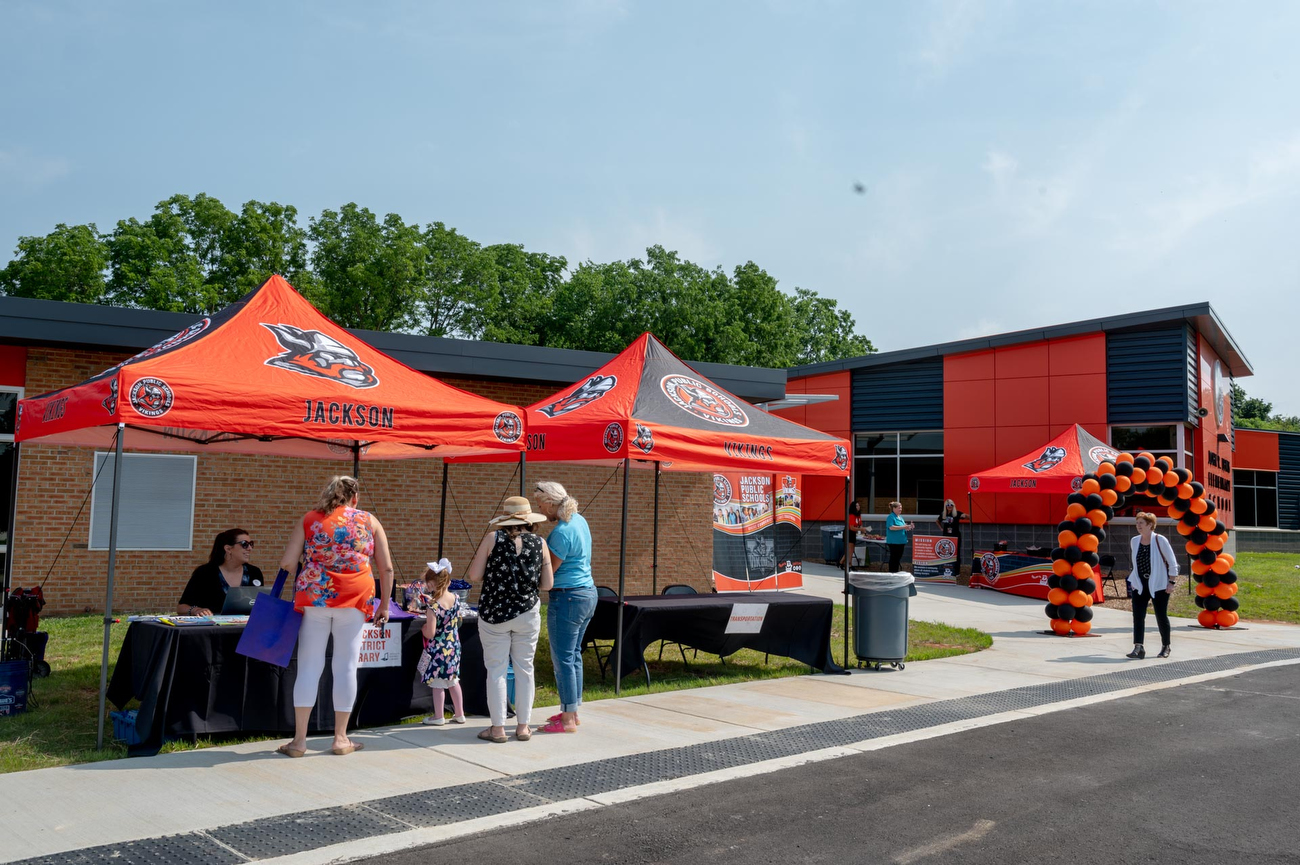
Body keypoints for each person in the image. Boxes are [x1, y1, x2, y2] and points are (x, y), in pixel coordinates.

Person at [275, 476, 394, 758]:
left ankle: (299, 741)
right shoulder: (369, 521)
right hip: (355, 598)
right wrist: (385, 605)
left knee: (308, 667)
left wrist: (315, 562)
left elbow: (287, 563)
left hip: (315, 596)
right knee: (346, 666)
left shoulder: (310, 518)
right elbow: (386, 569)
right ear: (355, 497)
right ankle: (340, 739)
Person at [466, 496, 553, 743]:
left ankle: (497, 729)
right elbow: (547, 584)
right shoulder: (540, 543)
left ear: (506, 518)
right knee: (525, 668)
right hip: (527, 613)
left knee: (496, 670)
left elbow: (474, 574)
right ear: (529, 520)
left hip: (494, 614)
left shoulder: (493, 538)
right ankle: (523, 727)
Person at [534, 481, 595, 734]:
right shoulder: (579, 520)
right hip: (587, 594)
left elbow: (549, 575)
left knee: (563, 659)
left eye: (540, 505)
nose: (540, 510)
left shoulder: (560, 532)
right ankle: (573, 711)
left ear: (549, 503)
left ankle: (568, 720)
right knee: (574, 655)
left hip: (568, 598)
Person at [416, 560, 466, 726]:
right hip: (454, 647)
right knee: (453, 681)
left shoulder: (433, 607)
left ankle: (438, 716)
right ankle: (459, 714)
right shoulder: (456, 598)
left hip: (438, 651)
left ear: (431, 584)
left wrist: (423, 629)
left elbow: (430, 633)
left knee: (438, 684)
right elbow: (457, 621)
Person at [1127, 511, 1178, 660]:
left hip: (1159, 584)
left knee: (1161, 615)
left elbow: (1173, 563)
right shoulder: (1134, 541)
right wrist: (1135, 581)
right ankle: (1138, 647)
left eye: (1141, 523)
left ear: (1150, 525)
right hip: (1140, 584)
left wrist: (1171, 582)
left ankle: (1166, 646)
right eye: (1137, 523)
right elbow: (1135, 563)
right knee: (1138, 616)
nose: (1138, 526)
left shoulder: (1160, 540)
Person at [177, 528, 265, 616]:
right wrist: (196, 610)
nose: (250, 548)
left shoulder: (254, 573)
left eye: (251, 544)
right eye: (245, 544)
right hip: (213, 628)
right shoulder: (205, 573)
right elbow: (181, 607)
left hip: (246, 628)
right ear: (228, 548)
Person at [934, 499, 967, 572]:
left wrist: (966, 516)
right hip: (946, 536)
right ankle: (946, 569)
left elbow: (965, 516)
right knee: (946, 552)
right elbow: (937, 521)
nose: (949, 506)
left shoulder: (956, 513)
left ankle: (957, 571)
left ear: (953, 506)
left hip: (956, 536)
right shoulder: (943, 514)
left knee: (956, 553)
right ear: (945, 506)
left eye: (951, 505)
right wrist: (941, 528)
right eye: (948, 505)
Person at [885, 501, 915, 573]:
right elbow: (891, 527)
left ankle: (895, 572)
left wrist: (909, 527)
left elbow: (904, 527)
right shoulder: (891, 517)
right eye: (899, 508)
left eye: (901, 508)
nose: (900, 509)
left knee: (898, 558)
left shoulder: (900, 517)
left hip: (901, 541)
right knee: (894, 558)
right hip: (894, 542)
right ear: (894, 508)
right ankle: (892, 573)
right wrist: (904, 526)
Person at [836, 500, 863, 569]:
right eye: (857, 505)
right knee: (850, 549)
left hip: (853, 533)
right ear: (854, 507)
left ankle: (841, 562)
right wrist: (861, 529)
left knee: (851, 549)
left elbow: (860, 525)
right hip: (849, 532)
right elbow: (851, 527)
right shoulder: (851, 516)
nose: (858, 507)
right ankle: (849, 564)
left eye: (859, 505)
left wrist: (864, 531)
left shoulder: (858, 516)